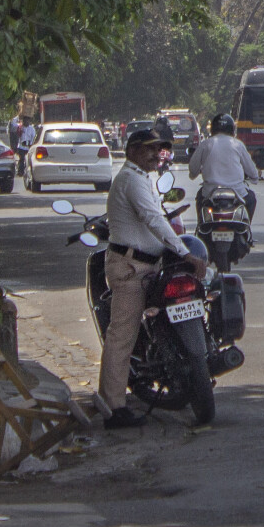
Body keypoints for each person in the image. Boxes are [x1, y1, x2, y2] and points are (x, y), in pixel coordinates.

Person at [99, 125, 193, 427]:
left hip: (146, 265)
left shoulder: (141, 179)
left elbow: (155, 217)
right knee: (121, 337)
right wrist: (183, 251)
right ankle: (114, 408)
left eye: (158, 149)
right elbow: (153, 219)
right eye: (149, 149)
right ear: (133, 151)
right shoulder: (131, 179)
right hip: (131, 268)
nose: (156, 154)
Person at [187, 111, 260, 222]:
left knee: (200, 199)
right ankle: (245, 228)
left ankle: (202, 227)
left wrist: (193, 174)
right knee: (251, 198)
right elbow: (252, 172)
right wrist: (255, 177)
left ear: (212, 129)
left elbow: (193, 168)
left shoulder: (206, 144)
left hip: (210, 192)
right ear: (232, 129)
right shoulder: (238, 144)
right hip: (237, 192)